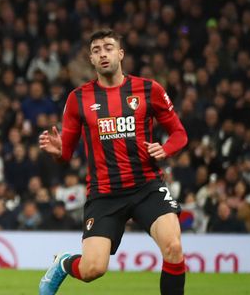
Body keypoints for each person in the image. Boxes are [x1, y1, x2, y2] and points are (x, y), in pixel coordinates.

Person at [38, 29, 188, 295]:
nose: (102, 53)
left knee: (174, 248)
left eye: (108, 47)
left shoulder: (148, 89)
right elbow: (67, 155)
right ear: (91, 60)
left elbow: (180, 134)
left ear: (120, 54)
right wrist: (57, 152)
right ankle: (63, 263)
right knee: (92, 270)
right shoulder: (78, 99)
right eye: (96, 50)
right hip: (105, 194)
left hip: (147, 187)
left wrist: (164, 150)